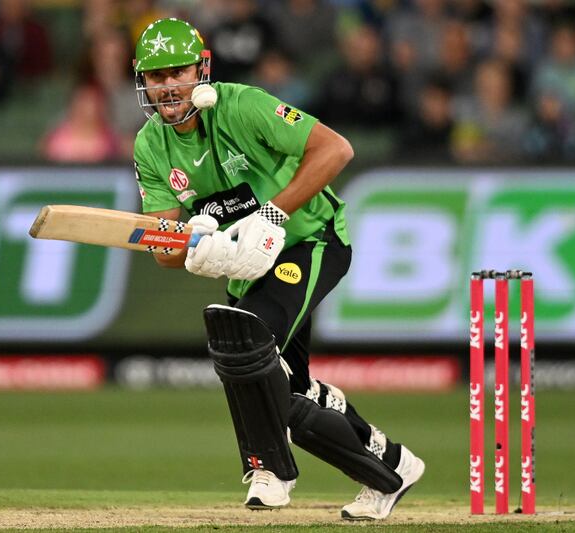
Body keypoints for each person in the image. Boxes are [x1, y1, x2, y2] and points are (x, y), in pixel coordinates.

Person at [131, 18, 424, 521]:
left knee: (244, 337)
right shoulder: (150, 146)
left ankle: (270, 468)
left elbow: (336, 149)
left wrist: (273, 213)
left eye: (176, 72)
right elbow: (164, 249)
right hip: (250, 264)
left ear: (201, 69)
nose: (167, 87)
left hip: (311, 239)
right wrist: (201, 246)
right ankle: (390, 467)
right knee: (288, 391)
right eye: (156, 77)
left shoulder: (243, 105)